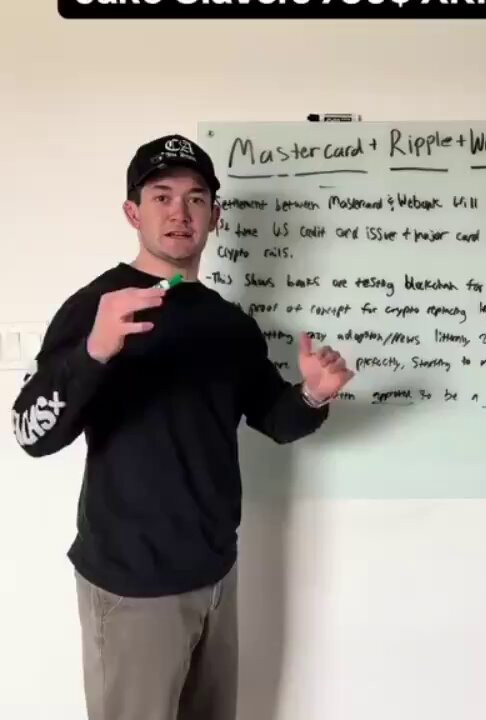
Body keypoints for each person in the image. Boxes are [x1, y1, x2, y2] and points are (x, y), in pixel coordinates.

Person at [10, 133, 354, 720]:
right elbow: (31, 433)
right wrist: (94, 351)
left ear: (215, 216)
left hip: (216, 575)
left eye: (196, 199)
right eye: (161, 196)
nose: (179, 212)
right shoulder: (97, 308)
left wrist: (313, 395)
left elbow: (275, 418)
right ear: (132, 212)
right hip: (132, 587)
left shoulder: (228, 324)